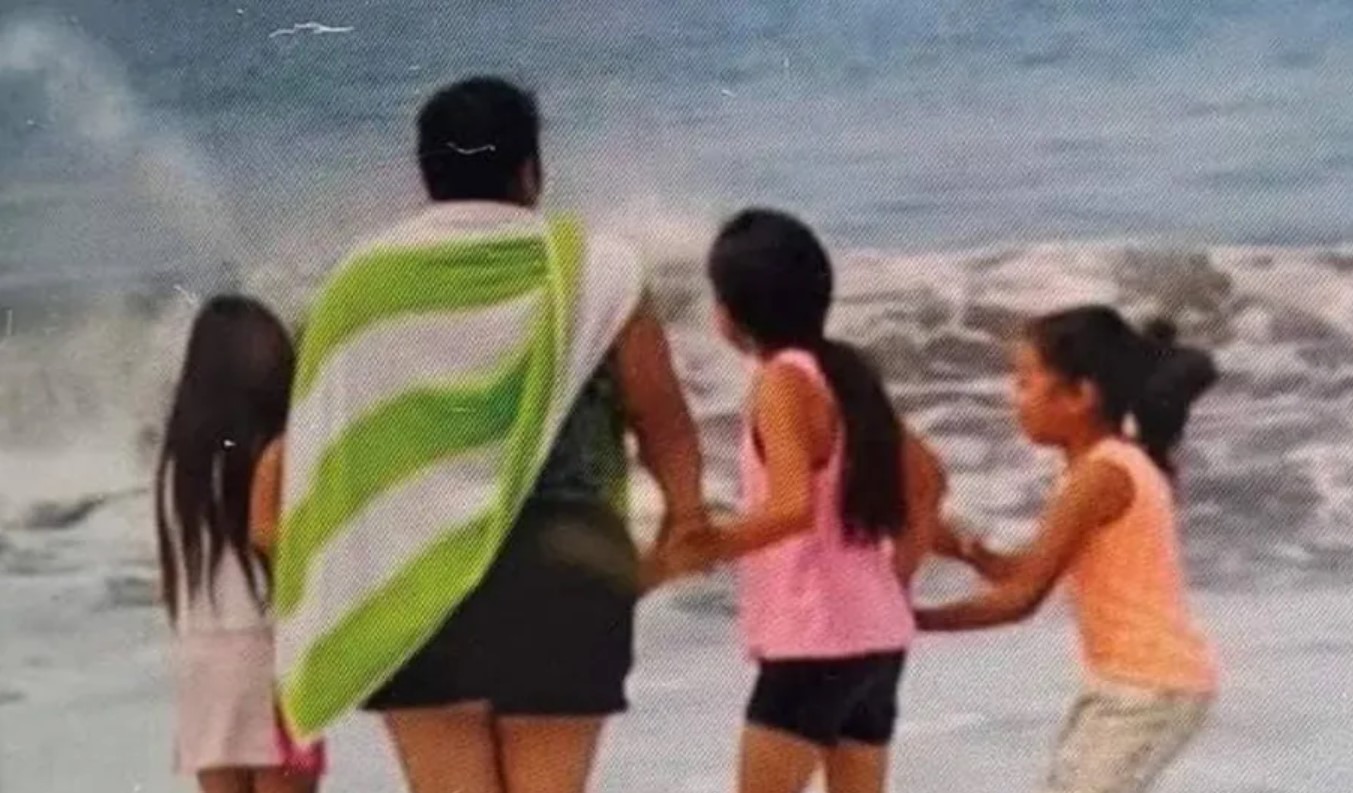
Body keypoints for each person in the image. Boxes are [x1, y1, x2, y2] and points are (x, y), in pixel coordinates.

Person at [270, 76, 706, 793]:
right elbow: (662, 417)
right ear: (531, 170)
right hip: (566, 569)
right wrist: (686, 521)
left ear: (425, 174)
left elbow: (325, 445)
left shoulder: (359, 283)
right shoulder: (600, 269)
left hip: (411, 574)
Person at [665, 209, 946, 793]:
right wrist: (893, 580)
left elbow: (791, 505)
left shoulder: (781, 383)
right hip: (877, 640)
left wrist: (701, 545)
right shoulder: (845, 372)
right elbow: (928, 481)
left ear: (728, 316)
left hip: (813, 642)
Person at [916, 305, 1219, 793]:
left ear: (1080, 395)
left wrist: (909, 620)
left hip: (1149, 687)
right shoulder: (1104, 466)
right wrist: (968, 551)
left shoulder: (1101, 477)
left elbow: (1021, 600)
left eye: (1024, 383)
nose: (1015, 400)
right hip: (1131, 681)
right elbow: (1030, 574)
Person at [155, 296, 324, 793]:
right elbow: (272, 541)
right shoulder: (279, 453)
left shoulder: (175, 469)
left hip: (202, 661)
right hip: (269, 655)